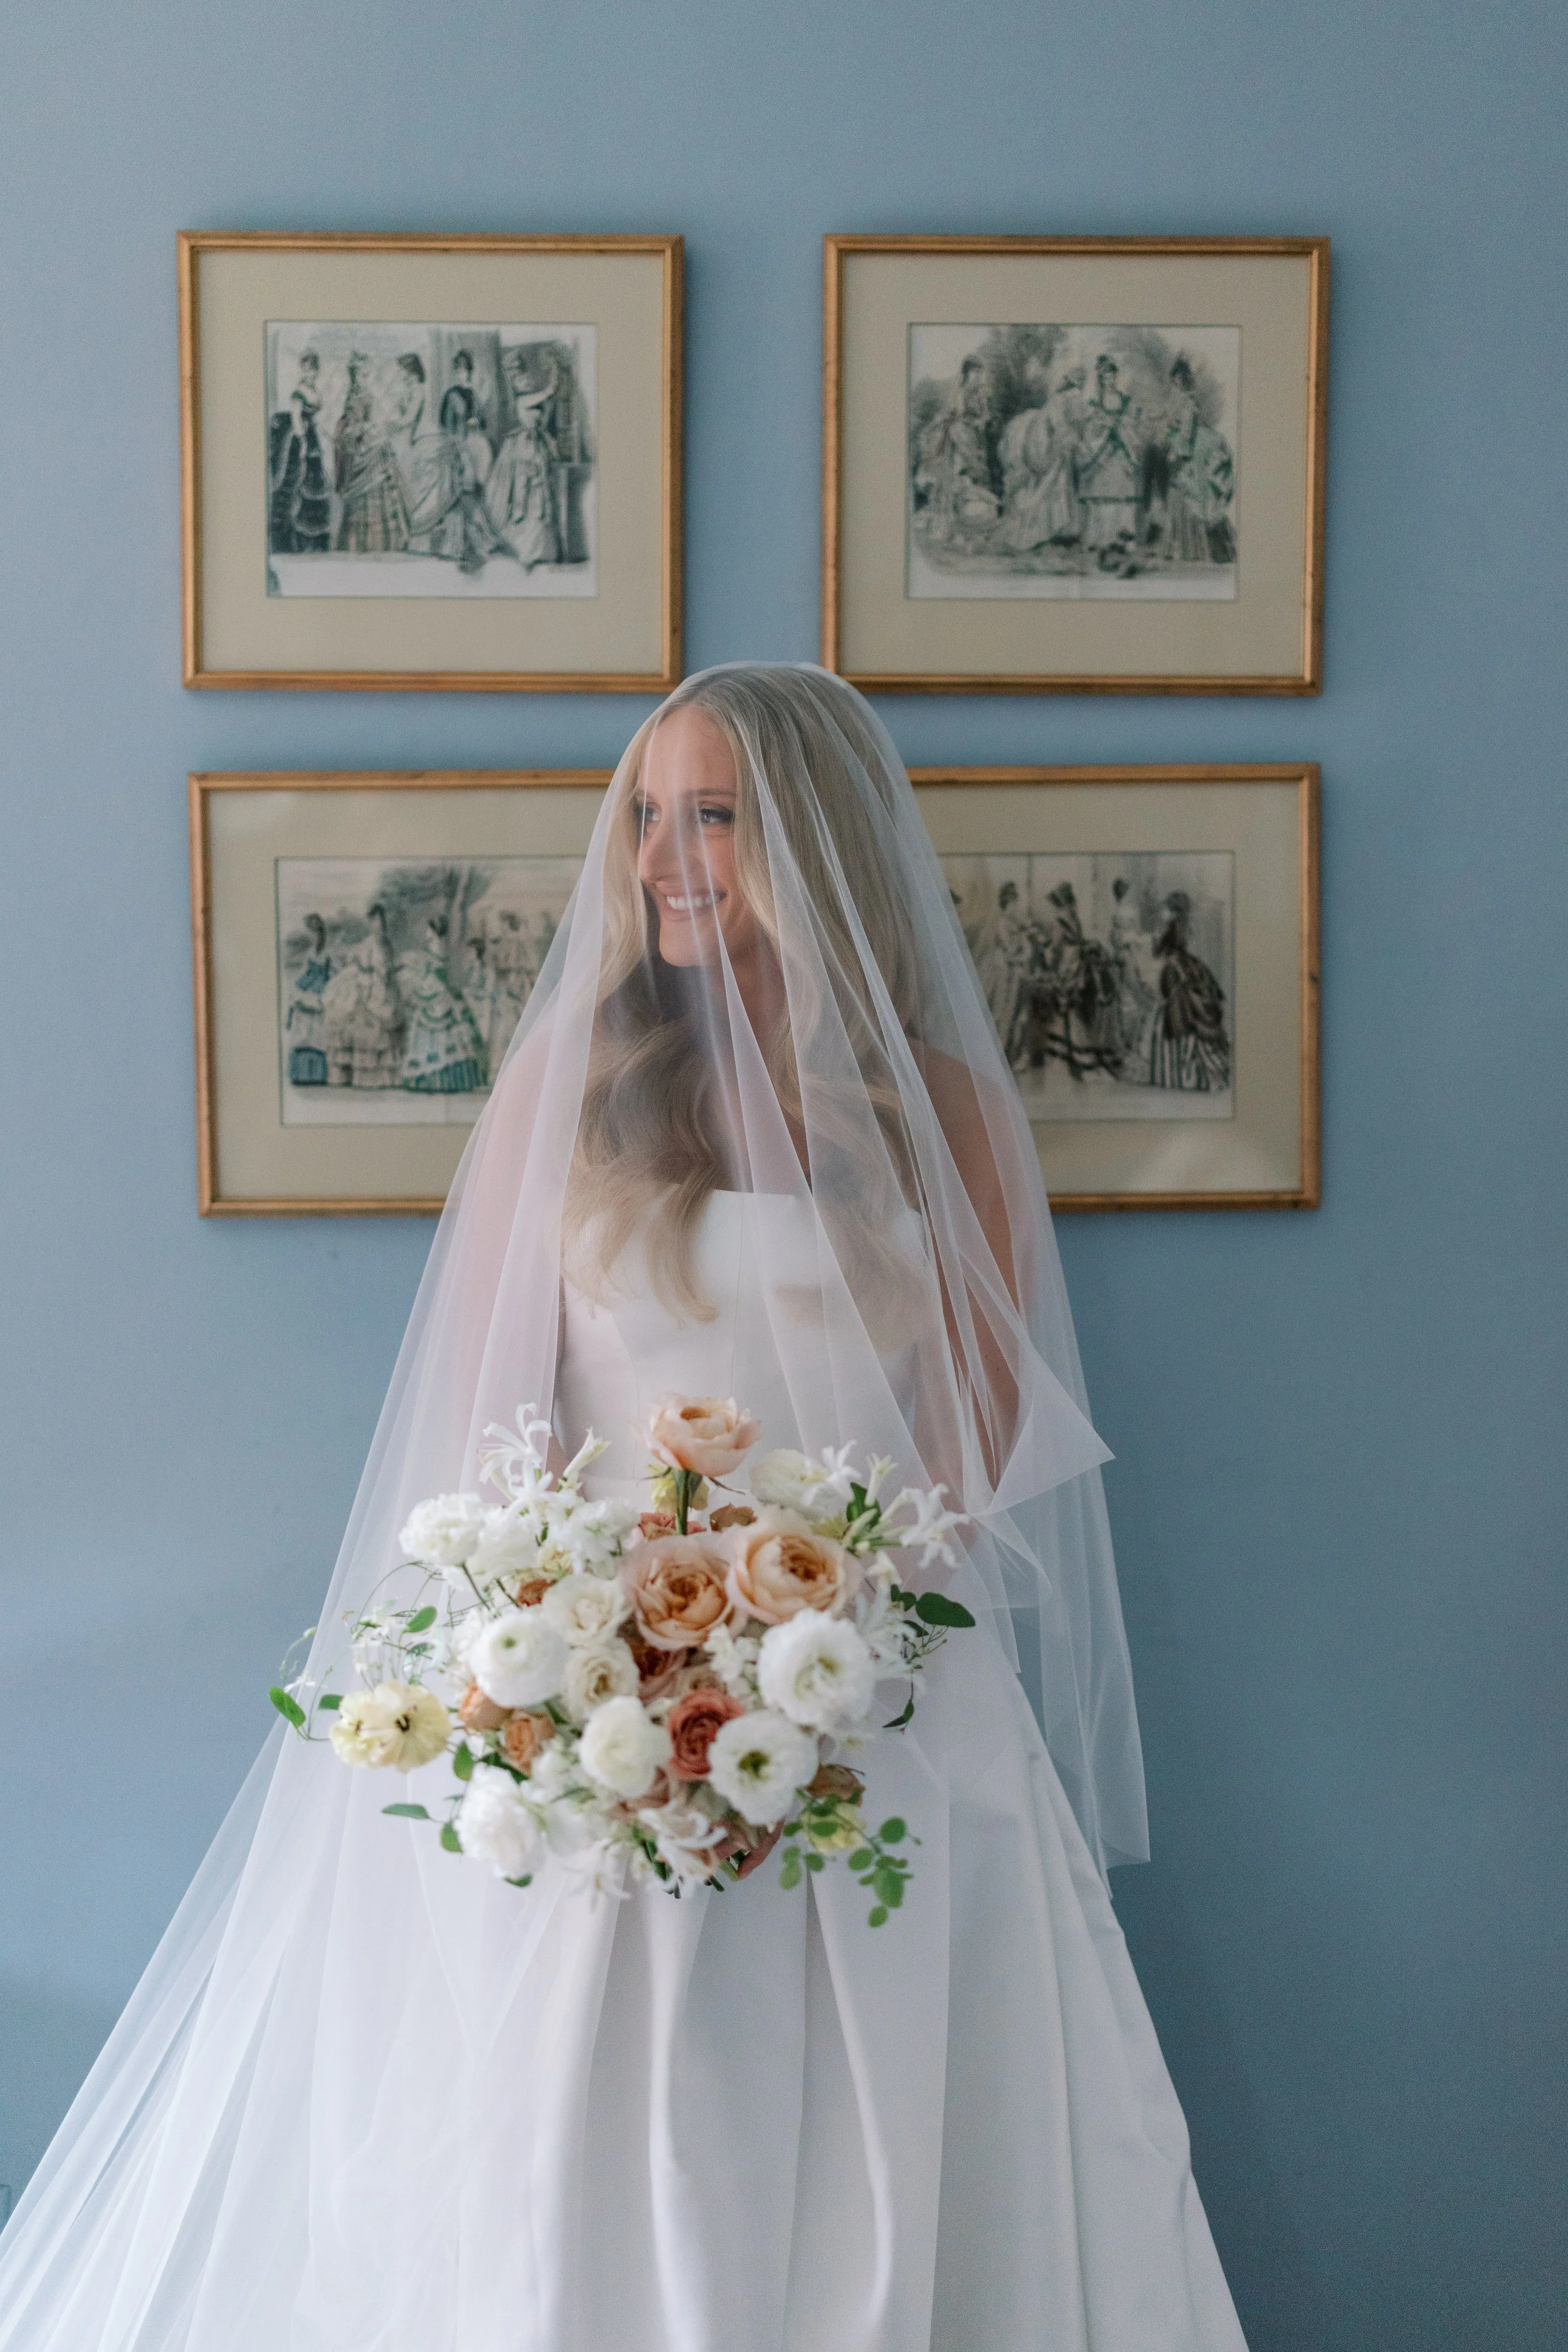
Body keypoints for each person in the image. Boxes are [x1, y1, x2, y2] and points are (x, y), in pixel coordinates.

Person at [0, 666, 1248, 2352]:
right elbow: (479, 1431)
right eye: (649, 810)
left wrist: (813, 1628)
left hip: (871, 1692)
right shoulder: (570, 1092)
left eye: (714, 813)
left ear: (803, 839)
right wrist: (602, 1643)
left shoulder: (936, 1106)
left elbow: (979, 1427)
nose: (667, 852)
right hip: (589, 1694)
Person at [484, 351, 563, 568]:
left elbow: (546, 406)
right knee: (523, 491)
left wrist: (548, 439)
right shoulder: (523, 400)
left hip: (535, 446)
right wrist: (555, 367)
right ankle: (522, 548)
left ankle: (539, 549)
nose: (523, 380)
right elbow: (550, 391)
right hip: (523, 449)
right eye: (517, 375)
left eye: (521, 374)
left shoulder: (530, 399)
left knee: (537, 495)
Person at [1150, 889, 1232, 1091]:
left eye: (1166, 909)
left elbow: (1159, 952)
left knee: (1180, 1012)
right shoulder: (1181, 927)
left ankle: (1178, 1074)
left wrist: (1154, 941)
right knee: (1187, 1012)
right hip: (1185, 967)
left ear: (1174, 912)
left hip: (1177, 971)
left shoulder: (1173, 929)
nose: (1163, 913)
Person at [398, 913, 489, 1092]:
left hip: (435, 991)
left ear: (434, 931)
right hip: (432, 988)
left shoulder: (437, 946)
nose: (426, 933)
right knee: (427, 1033)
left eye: (429, 929)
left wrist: (425, 982)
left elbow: (438, 972)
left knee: (439, 1034)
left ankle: (439, 1078)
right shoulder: (433, 946)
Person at [1161, 356, 1236, 567]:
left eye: (1178, 382)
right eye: (1174, 382)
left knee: (1187, 494)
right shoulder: (1183, 402)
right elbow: (1177, 428)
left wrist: (1177, 453)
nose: (1176, 385)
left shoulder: (1188, 404)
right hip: (1188, 450)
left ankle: (1194, 548)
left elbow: (1186, 435)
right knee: (1184, 495)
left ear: (1184, 381)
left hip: (1191, 454)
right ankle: (1186, 547)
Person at [334, 354, 410, 553]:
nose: (364, 380)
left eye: (367, 376)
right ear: (354, 377)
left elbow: (370, 422)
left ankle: (380, 543)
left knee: (380, 481)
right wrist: (354, 429)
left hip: (369, 445)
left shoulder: (367, 396)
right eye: (361, 376)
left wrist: (368, 428)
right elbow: (350, 424)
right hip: (361, 447)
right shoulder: (353, 397)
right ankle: (358, 543)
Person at [1077, 352, 1142, 561]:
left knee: (1122, 495)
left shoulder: (1125, 401)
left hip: (1121, 453)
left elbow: (1132, 425)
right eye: (1105, 377)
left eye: (1112, 376)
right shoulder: (1095, 402)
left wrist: (1121, 426)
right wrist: (1102, 427)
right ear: (1100, 379)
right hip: (1102, 453)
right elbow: (1089, 428)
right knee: (1100, 495)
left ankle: (1123, 539)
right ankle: (1100, 540)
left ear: (1116, 377)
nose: (1109, 380)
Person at [268, 352, 331, 554]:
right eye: (305, 369)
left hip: (311, 435)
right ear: (302, 370)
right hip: (299, 440)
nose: (309, 373)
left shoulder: (313, 389)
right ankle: (295, 542)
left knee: (315, 481)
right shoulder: (299, 393)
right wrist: (303, 443)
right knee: (299, 482)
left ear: (317, 370)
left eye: (312, 369)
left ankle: (314, 541)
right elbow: (297, 421)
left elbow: (313, 419)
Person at [282, 911, 332, 1083]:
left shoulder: (326, 951)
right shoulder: (312, 951)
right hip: (310, 985)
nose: (309, 935)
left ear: (316, 931)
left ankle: (315, 1074)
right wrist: (300, 984)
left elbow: (326, 974)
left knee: (314, 1027)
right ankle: (302, 1073)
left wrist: (317, 985)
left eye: (311, 931)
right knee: (299, 1009)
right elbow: (307, 973)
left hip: (319, 989)